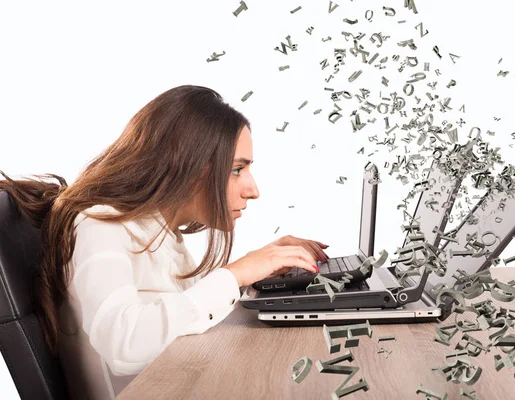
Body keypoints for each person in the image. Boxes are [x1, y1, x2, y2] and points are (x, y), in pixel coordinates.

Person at [0, 85, 329, 399]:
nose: (252, 189)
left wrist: (253, 277)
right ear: (187, 166)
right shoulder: (98, 222)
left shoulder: (161, 232)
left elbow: (186, 319)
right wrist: (235, 274)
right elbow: (123, 343)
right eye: (236, 170)